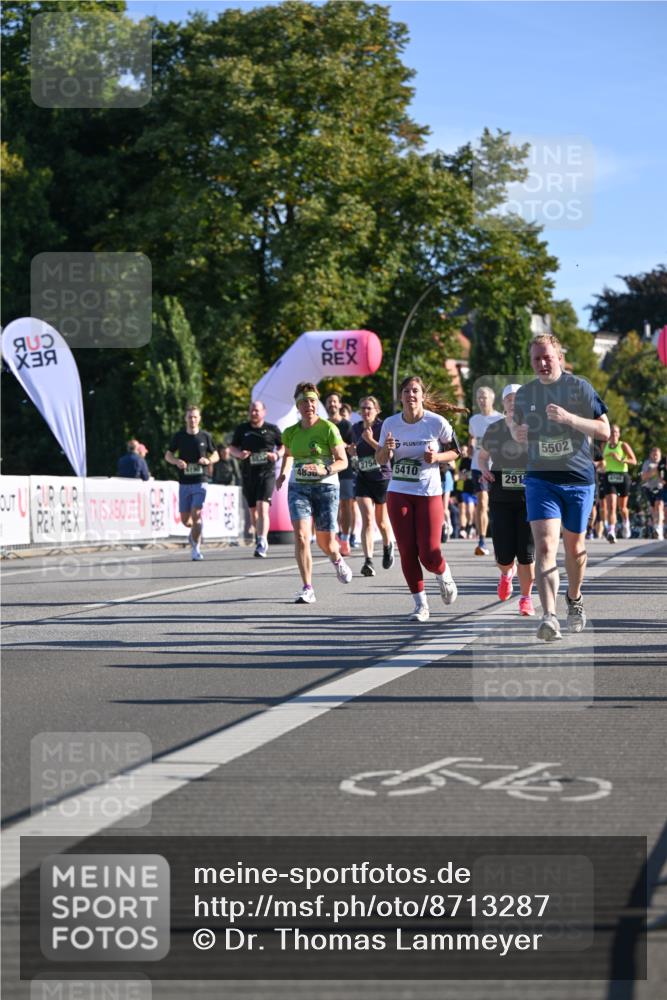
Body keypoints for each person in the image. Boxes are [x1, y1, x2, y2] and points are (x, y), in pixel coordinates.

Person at [512, 335, 610, 641]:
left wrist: (570, 419)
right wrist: (519, 432)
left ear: (560, 359)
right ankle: (550, 615)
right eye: (536, 359)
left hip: (578, 479)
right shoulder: (526, 394)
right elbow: (515, 430)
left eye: (547, 358)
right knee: (544, 547)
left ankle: (575, 598)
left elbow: (604, 430)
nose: (542, 364)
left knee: (575, 549)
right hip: (541, 479)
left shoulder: (579, 387)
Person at [376, 376, 465, 622]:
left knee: (428, 552)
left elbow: (456, 452)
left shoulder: (436, 422)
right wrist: (388, 449)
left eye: (415, 391)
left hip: (429, 493)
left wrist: (436, 457)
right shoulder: (391, 424)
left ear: (422, 395)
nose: (410, 395)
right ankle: (421, 604)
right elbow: (381, 459)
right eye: (406, 391)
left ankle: (443, 573)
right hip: (399, 491)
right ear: (401, 396)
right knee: (406, 550)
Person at [276, 382, 352, 603]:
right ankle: (307, 587)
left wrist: (325, 468)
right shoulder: (290, 432)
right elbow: (288, 455)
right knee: (301, 536)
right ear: (297, 406)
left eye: (312, 401)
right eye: (304, 402)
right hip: (298, 487)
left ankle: (337, 559)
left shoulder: (329, 428)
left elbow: (343, 461)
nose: (309, 405)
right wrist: (282, 474)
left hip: (327, 487)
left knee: (325, 542)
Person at [478, 384, 535, 615]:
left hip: (528, 497)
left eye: (517, 399)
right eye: (509, 399)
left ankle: (526, 597)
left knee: (526, 553)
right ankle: (505, 574)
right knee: (504, 554)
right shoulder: (495, 429)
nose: (513, 402)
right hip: (501, 495)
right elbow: (482, 457)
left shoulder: (533, 428)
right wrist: (484, 470)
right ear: (504, 403)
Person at [230, 400, 283, 558]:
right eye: (252, 410)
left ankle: (262, 541)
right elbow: (232, 447)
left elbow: (283, 446)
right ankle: (259, 535)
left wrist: (276, 455)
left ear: (264, 412)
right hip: (248, 474)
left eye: (257, 410)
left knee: (262, 506)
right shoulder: (242, 429)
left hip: (266, 474)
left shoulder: (272, 429)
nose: (254, 413)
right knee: (254, 512)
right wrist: (239, 454)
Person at [165, 405, 219, 560]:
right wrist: (176, 461)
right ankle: (195, 530)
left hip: (200, 481)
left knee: (196, 514)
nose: (192, 420)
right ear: (185, 419)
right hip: (184, 482)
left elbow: (216, 455)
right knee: (186, 520)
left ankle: (196, 548)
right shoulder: (179, 436)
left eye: (195, 417)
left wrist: (208, 460)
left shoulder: (205, 436)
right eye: (190, 417)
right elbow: (168, 455)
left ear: (199, 419)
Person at [351, 395, 394, 577]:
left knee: (382, 523)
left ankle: (387, 545)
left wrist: (370, 440)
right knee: (367, 519)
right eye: (363, 408)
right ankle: (368, 561)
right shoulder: (355, 428)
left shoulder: (383, 427)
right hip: (363, 478)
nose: (366, 411)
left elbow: (389, 454)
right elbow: (352, 448)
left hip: (382, 478)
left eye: (369, 408)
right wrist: (351, 450)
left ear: (377, 411)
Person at [469, 385, 503, 555]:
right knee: (482, 502)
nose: (482, 400)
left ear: (492, 399)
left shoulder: (500, 419)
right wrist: (469, 448)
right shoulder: (474, 420)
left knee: (496, 504)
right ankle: (482, 540)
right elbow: (472, 440)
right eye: (479, 397)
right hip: (478, 466)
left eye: (484, 397)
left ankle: (500, 537)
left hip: (497, 467)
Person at [324, 393, 355, 554]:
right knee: (331, 505)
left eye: (334, 401)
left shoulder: (347, 426)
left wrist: (341, 445)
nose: (332, 404)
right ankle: (334, 536)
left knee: (345, 504)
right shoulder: (322, 425)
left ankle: (345, 537)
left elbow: (353, 449)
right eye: (329, 402)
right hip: (327, 470)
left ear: (339, 404)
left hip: (345, 470)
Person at [601, 425, 637, 542]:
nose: (613, 434)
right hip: (609, 476)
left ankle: (626, 523)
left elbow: (634, 461)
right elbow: (602, 462)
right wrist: (598, 466)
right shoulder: (604, 445)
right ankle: (611, 531)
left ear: (619, 434)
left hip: (622, 476)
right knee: (611, 506)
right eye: (611, 432)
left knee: (622, 508)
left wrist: (620, 459)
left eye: (616, 432)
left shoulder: (623, 445)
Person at [640, 446, 666, 539]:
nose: (655, 456)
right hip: (649, 488)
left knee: (659, 505)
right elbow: (643, 477)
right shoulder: (647, 463)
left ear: (660, 455)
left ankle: (659, 529)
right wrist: (654, 471)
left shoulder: (663, 463)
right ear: (650, 455)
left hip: (661, 488)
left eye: (657, 454)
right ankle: (656, 527)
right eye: (653, 454)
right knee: (653, 510)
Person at [454, 445, 475, 538]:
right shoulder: (458, 462)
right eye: (461, 450)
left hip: (472, 489)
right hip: (461, 488)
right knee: (462, 509)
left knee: (470, 510)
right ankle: (462, 529)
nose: (463, 452)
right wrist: (458, 476)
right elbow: (456, 474)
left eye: (465, 450)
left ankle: (470, 526)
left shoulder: (473, 461)